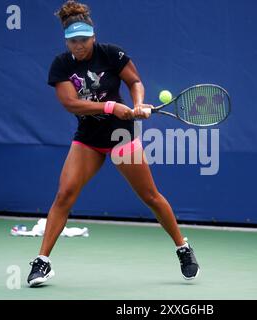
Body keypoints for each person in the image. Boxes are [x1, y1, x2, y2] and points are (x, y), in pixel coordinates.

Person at [27, 0, 199, 287]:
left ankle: (183, 248)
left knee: (150, 196)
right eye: (72, 41)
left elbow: (134, 81)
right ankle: (42, 262)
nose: (78, 46)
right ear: (66, 41)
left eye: (83, 40)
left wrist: (139, 103)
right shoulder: (61, 64)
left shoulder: (110, 53)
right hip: (89, 139)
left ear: (93, 36)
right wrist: (109, 107)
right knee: (65, 194)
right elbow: (72, 104)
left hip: (122, 136)